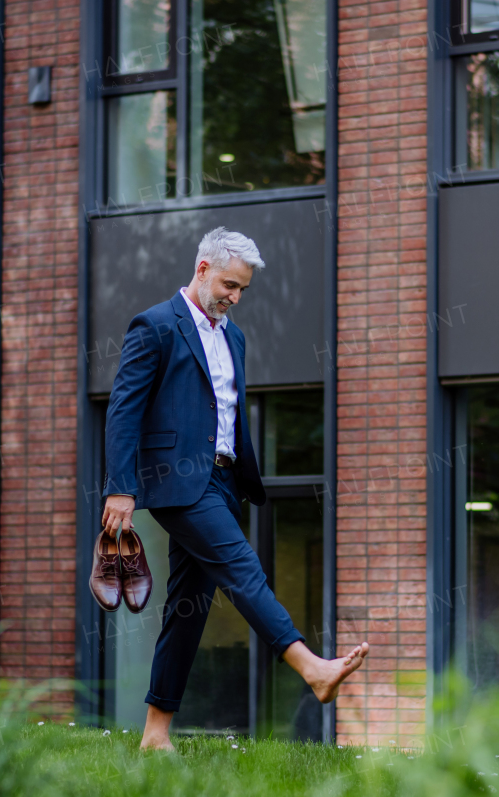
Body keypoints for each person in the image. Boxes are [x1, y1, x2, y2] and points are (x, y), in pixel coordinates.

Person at [100, 226, 369, 751]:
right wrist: (120, 489)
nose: (235, 297)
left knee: (188, 606)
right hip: (177, 483)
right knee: (244, 570)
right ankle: (311, 668)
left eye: (242, 289)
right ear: (202, 269)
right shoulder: (155, 326)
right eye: (228, 284)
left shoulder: (234, 336)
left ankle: (155, 733)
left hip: (222, 481)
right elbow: (123, 411)